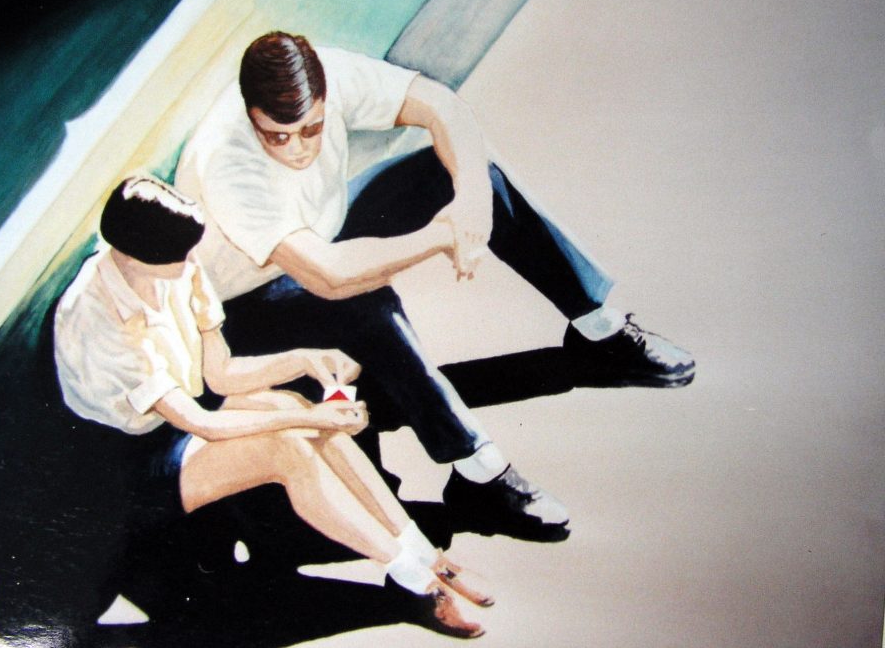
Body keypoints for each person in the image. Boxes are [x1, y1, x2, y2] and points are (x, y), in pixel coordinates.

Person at [175, 32, 695, 531]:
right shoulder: (228, 162)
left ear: (324, 99)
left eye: (311, 130)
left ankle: (599, 329)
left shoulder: (328, 74)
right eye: (277, 137)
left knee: (468, 174)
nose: (296, 149)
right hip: (248, 311)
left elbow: (443, 106)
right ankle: (478, 472)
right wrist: (444, 236)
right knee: (364, 302)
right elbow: (330, 276)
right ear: (251, 115)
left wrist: (471, 202)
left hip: (321, 239)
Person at [52, 175, 491, 639]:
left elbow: (220, 375)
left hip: (175, 423)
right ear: (129, 255)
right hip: (126, 468)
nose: (188, 267)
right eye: (175, 260)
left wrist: (303, 360)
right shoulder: (96, 318)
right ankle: (416, 582)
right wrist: (308, 417)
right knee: (286, 446)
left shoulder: (175, 258)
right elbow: (200, 422)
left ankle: (428, 557)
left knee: (290, 406)